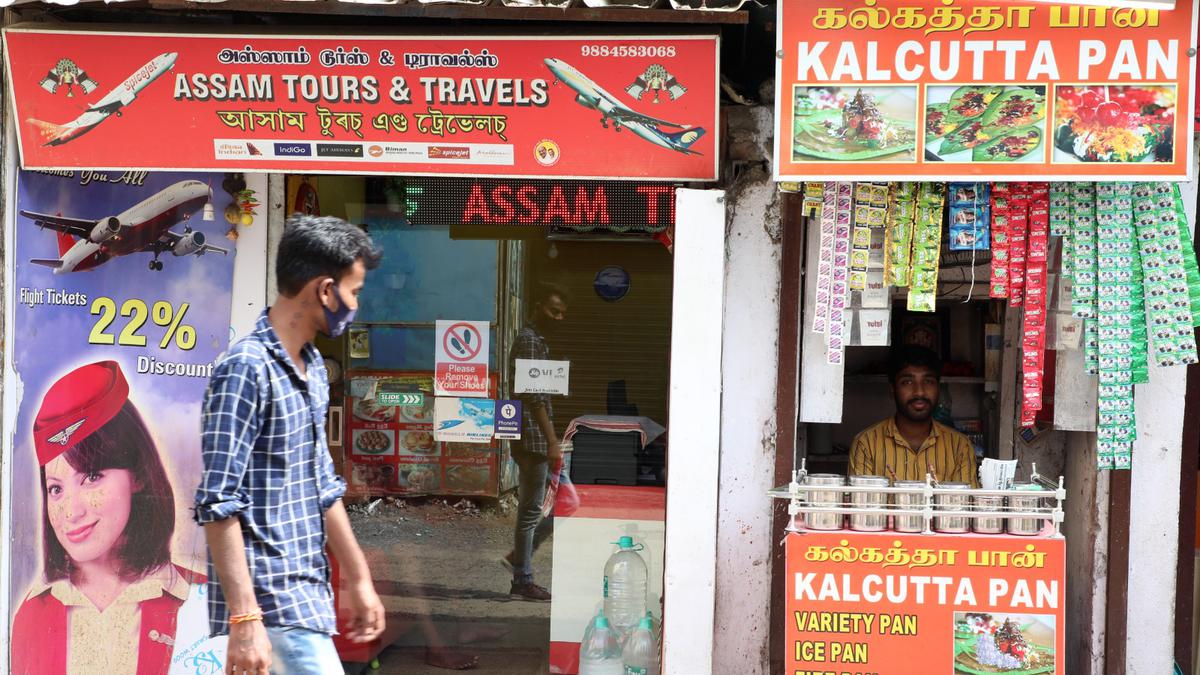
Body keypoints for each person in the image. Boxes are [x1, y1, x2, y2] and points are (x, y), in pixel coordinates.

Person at [195, 215, 385, 674]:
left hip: (306, 599)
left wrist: (358, 578)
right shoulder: (246, 369)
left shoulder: (313, 367)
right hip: (272, 607)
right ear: (325, 290)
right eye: (353, 291)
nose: (355, 304)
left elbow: (322, 485)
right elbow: (218, 504)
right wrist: (244, 620)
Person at [12, 360, 203, 675]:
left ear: (138, 475)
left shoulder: (197, 600)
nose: (71, 512)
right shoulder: (31, 615)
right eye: (56, 489)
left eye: (90, 476)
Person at [503, 282, 570, 602]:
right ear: (538, 306)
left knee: (568, 502)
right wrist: (552, 441)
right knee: (531, 511)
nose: (558, 317)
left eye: (562, 313)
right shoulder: (529, 342)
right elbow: (534, 397)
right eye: (553, 310)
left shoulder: (537, 341)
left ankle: (520, 556)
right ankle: (522, 579)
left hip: (537, 438)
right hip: (533, 439)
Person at [848, 345, 980, 487]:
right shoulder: (867, 444)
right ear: (893, 390)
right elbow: (862, 507)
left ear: (938, 388)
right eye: (908, 382)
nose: (919, 392)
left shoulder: (959, 447)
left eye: (928, 381)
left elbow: (963, 506)